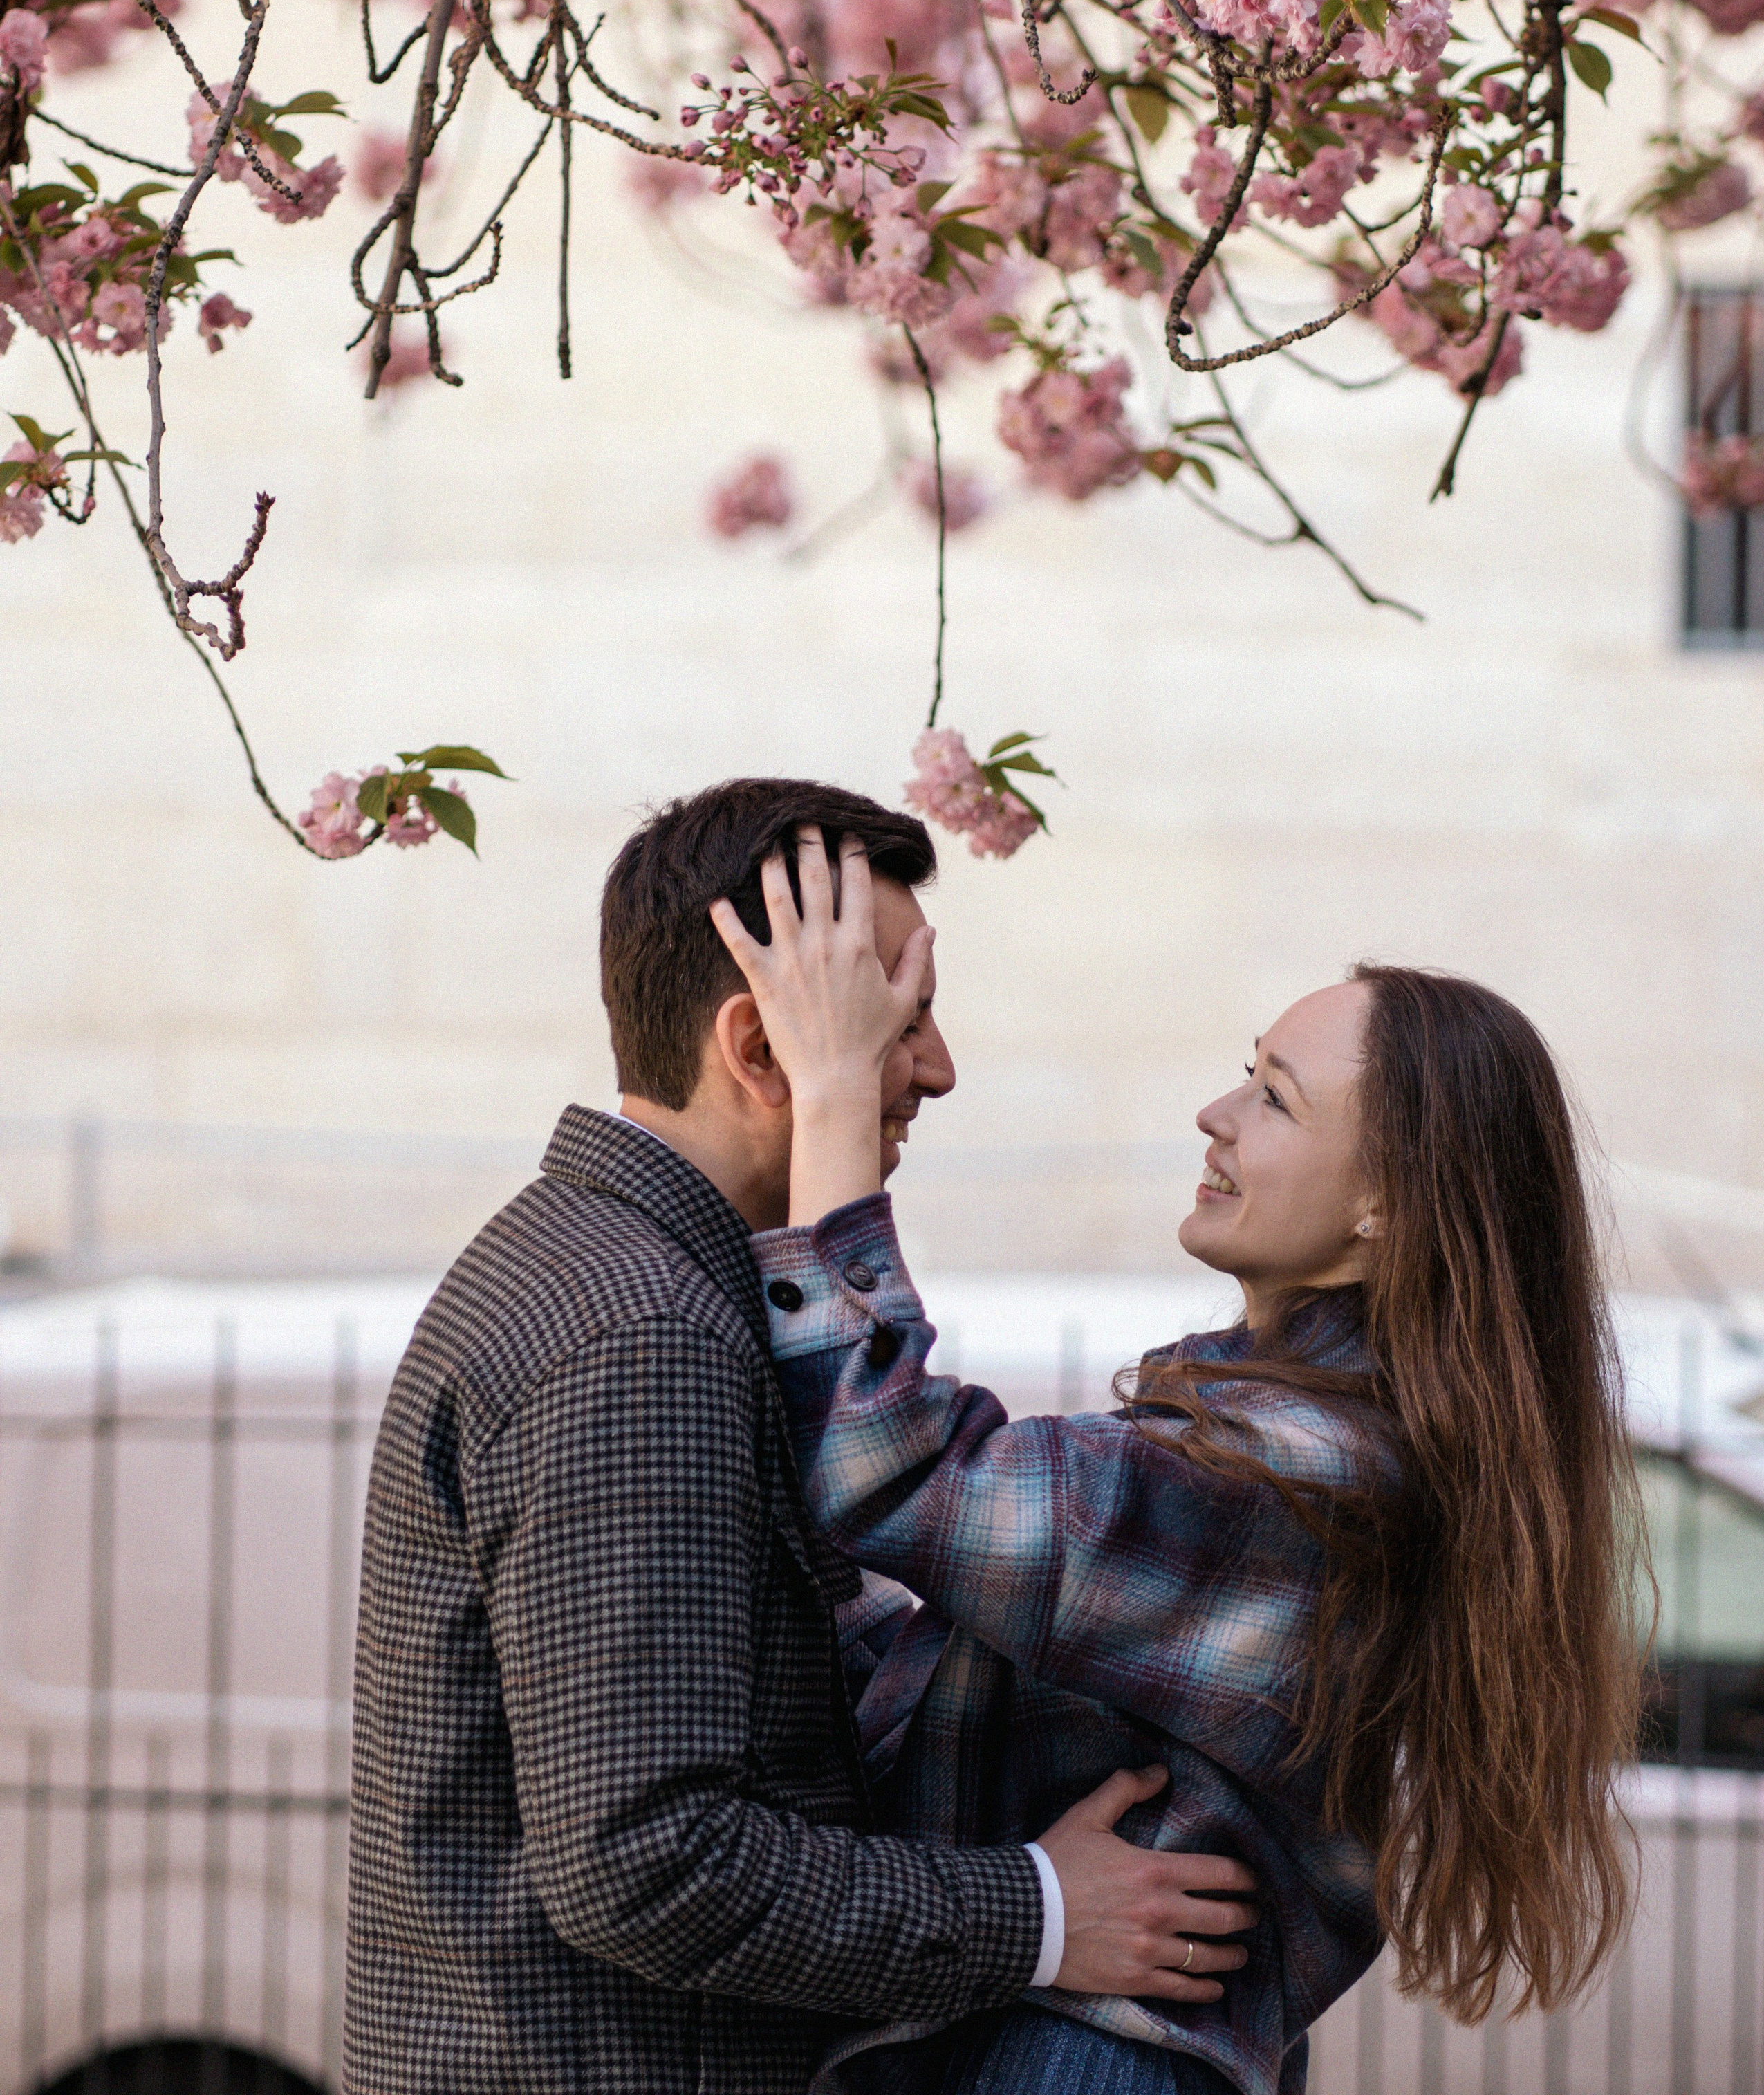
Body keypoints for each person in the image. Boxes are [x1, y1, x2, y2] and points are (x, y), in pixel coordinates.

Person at [342, 779, 1256, 2095]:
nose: (939, 1070)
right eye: (901, 1020)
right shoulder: (641, 1333)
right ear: (761, 1050)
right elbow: (648, 1864)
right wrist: (1043, 1915)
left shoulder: (617, 1273)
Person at [712, 833, 1645, 2095]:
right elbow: (940, 1647)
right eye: (1242, 1074)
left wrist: (828, 1094)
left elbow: (898, 1477)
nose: (1216, 1114)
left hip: (1086, 2062)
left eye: (1275, 1096)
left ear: (1390, 1206)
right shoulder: (1276, 1424)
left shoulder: (1306, 1473)